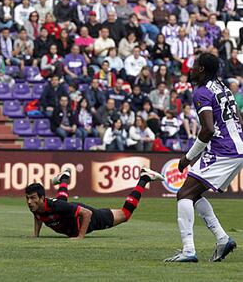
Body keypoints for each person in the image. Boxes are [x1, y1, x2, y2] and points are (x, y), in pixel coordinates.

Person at [164, 53, 239, 263]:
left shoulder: (202, 92)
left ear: (202, 69)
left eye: (195, 65)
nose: (191, 69)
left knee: (184, 193)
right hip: (234, 147)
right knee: (194, 194)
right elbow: (237, 118)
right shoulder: (223, 88)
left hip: (223, 149)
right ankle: (223, 238)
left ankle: (188, 250)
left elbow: (206, 130)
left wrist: (187, 158)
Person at [25, 167, 163, 239]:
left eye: (32, 198)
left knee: (125, 214)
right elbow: (38, 216)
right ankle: (64, 176)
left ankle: (144, 178)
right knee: (62, 203)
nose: (29, 202)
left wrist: (80, 236)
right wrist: (36, 234)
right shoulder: (36, 207)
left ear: (42, 198)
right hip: (66, 213)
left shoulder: (55, 206)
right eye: (28, 198)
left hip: (92, 219)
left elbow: (87, 213)